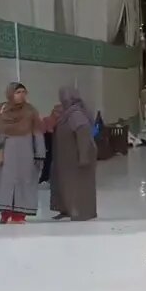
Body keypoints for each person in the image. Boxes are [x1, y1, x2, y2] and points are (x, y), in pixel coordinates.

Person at [0, 83, 45, 224]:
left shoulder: (30, 111)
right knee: (4, 182)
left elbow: (37, 133)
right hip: (5, 152)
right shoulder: (0, 110)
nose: (21, 95)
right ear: (10, 94)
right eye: (18, 92)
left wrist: (39, 153)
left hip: (25, 152)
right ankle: (5, 212)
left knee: (24, 182)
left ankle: (19, 214)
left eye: (23, 92)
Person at [51, 86, 99, 222]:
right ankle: (69, 209)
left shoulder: (75, 114)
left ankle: (82, 212)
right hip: (69, 157)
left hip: (77, 157)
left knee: (79, 186)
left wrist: (83, 156)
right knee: (69, 185)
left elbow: (83, 133)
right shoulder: (68, 113)